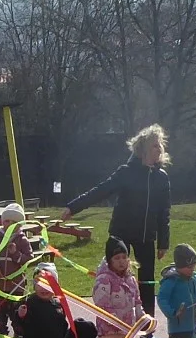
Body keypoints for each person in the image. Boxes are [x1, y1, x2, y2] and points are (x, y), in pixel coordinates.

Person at [63, 124, 171, 314]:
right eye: (155, 145)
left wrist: (163, 242)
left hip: (146, 237)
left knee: (146, 280)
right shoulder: (126, 172)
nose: (159, 148)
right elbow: (101, 190)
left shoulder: (161, 177)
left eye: (160, 144)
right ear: (143, 149)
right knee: (116, 277)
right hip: (121, 234)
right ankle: (115, 319)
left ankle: (147, 322)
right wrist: (73, 207)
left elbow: (164, 212)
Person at [0, 202, 36, 338]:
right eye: (6, 221)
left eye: (14, 222)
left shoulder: (22, 239)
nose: (9, 224)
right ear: (2, 221)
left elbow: (29, 260)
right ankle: (1, 337)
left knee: (17, 313)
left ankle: (18, 336)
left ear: (20, 224)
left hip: (17, 285)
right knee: (0, 312)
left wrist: (15, 253)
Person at [155, 244, 196, 338]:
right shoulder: (171, 281)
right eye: (190, 267)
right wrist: (173, 313)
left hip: (193, 326)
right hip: (177, 329)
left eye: (194, 266)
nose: (192, 269)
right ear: (180, 266)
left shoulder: (193, 279)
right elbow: (162, 298)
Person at [91, 236, 144, 338]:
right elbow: (102, 305)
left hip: (126, 331)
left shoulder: (130, 279)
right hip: (109, 332)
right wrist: (115, 321)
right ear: (110, 260)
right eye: (117, 258)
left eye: (124, 257)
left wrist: (141, 316)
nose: (121, 261)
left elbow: (137, 299)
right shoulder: (104, 280)